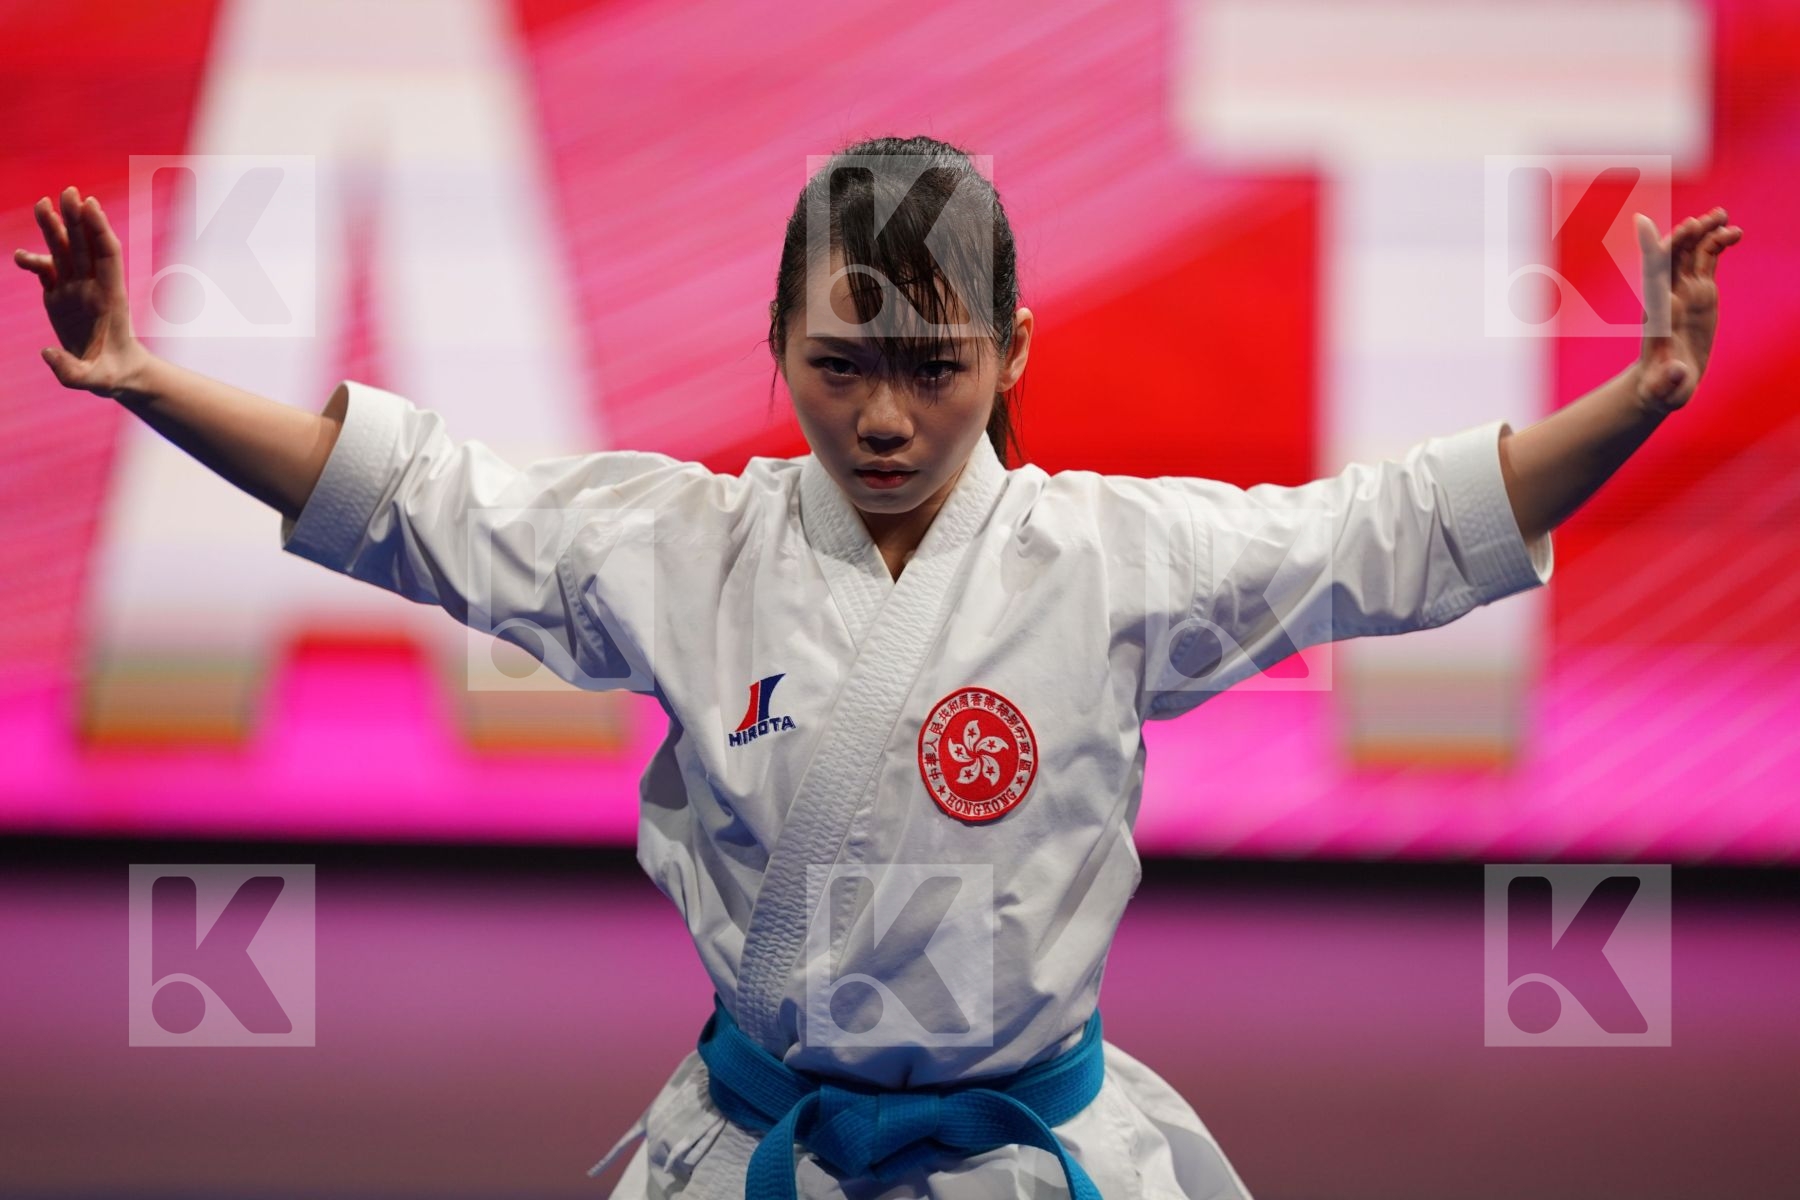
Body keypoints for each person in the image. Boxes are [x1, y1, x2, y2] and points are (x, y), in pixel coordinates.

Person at [18, 137, 1740, 1199]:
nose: (891, 414)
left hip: (1028, 1168)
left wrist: (1644, 392)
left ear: (1014, 350)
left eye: (939, 362)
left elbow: (1391, 534)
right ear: (775, 348)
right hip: (754, 1154)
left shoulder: (1112, 564)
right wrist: (150, 379)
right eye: (843, 364)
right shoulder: (682, 548)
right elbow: (412, 498)